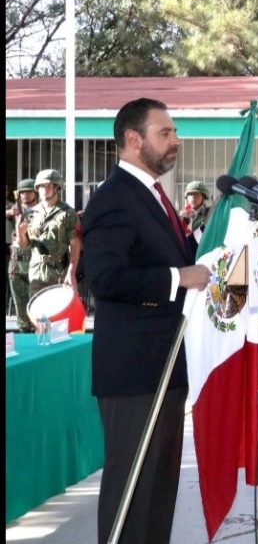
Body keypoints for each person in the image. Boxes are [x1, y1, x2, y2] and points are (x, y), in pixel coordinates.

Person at [81, 97, 211, 544]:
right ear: (133, 140)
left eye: (174, 132)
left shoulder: (154, 196)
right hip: (134, 375)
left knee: (158, 495)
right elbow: (104, 278)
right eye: (165, 133)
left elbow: (178, 260)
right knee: (131, 498)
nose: (176, 141)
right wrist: (178, 276)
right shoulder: (114, 199)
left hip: (166, 368)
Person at [16, 168, 81, 300]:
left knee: (59, 316)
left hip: (59, 271)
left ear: (56, 187)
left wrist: (71, 272)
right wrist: (21, 234)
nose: (45, 189)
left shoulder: (67, 213)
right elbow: (24, 247)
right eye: (41, 186)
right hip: (36, 272)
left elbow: (75, 244)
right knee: (39, 316)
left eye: (49, 186)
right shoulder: (30, 214)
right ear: (37, 189)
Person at [7, 179, 38, 332]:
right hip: (17, 261)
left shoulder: (42, 209)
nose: (25, 195)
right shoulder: (15, 208)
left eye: (28, 191)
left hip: (35, 260)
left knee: (36, 306)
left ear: (35, 192)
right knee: (20, 304)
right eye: (22, 192)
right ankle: (23, 332)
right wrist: (10, 212)